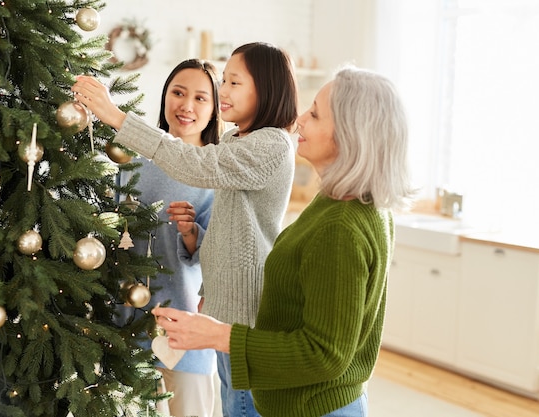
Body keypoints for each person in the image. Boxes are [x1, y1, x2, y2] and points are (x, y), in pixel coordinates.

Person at [150, 66, 415, 417]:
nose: (300, 120)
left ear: (351, 134)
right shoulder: (349, 204)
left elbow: (324, 354)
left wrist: (219, 335)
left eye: (316, 114)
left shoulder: (342, 227)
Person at [73, 42, 298, 417]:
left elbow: (191, 163)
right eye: (223, 81)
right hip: (213, 318)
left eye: (233, 83)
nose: (224, 92)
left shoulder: (270, 145)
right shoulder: (235, 142)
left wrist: (115, 115)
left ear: (267, 88)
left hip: (240, 323)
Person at [115, 59, 223, 417]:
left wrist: (191, 231)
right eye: (178, 92)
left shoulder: (216, 170)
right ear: (164, 98)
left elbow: (217, 256)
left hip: (183, 327)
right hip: (125, 321)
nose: (186, 105)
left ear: (214, 109)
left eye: (200, 98)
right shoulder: (132, 161)